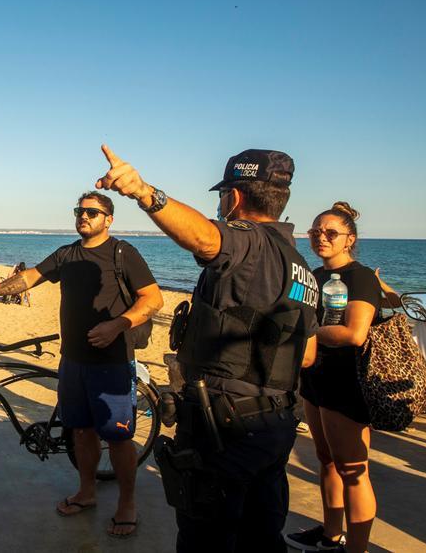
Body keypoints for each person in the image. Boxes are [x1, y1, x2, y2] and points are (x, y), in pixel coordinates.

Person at [96, 145, 318, 552]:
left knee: (206, 540)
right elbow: (306, 354)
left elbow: (205, 238)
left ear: (233, 198)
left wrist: (145, 193)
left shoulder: (250, 242)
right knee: (261, 538)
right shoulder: (302, 268)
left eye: (221, 198)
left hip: (226, 431)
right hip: (275, 425)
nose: (219, 206)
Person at [0, 191, 164, 538]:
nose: (84, 216)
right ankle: (87, 492)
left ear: (109, 219)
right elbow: (30, 277)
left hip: (113, 362)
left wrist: (118, 324)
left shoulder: (123, 253)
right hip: (73, 360)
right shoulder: (67, 254)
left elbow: (153, 298)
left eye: (92, 211)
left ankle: (127, 502)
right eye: (80, 211)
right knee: (82, 431)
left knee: (118, 438)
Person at [286, 202, 382, 553]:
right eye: (314, 232)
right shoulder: (314, 274)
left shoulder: (360, 277)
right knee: (326, 460)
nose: (320, 238)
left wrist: (306, 333)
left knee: (354, 471)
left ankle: (356, 548)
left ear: (349, 239)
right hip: (316, 377)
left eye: (330, 233)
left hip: (347, 382)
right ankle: (330, 536)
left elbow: (355, 334)